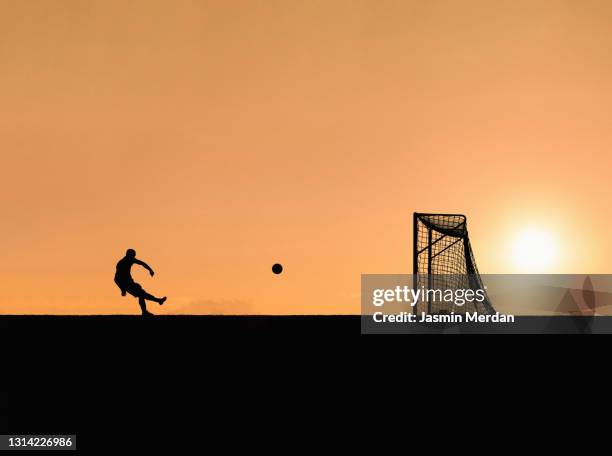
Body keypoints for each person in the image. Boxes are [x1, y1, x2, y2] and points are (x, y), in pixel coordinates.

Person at [114, 249, 167, 316]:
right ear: (128, 255)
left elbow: (142, 263)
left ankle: (156, 302)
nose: (134, 257)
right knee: (141, 294)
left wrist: (150, 270)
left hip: (131, 283)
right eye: (133, 255)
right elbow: (116, 279)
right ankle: (155, 303)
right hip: (126, 284)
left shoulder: (131, 260)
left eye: (134, 255)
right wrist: (122, 289)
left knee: (142, 294)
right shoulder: (121, 263)